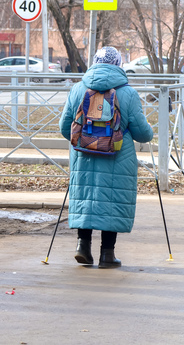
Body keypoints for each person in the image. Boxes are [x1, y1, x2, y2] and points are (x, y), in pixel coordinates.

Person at [59, 46, 154, 268]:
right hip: (118, 155)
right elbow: (142, 134)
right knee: (111, 202)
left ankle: (82, 247)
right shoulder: (128, 93)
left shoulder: (78, 89)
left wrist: (86, 139)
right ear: (118, 64)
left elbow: (65, 128)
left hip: (84, 155)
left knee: (87, 198)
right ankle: (107, 255)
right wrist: (148, 129)